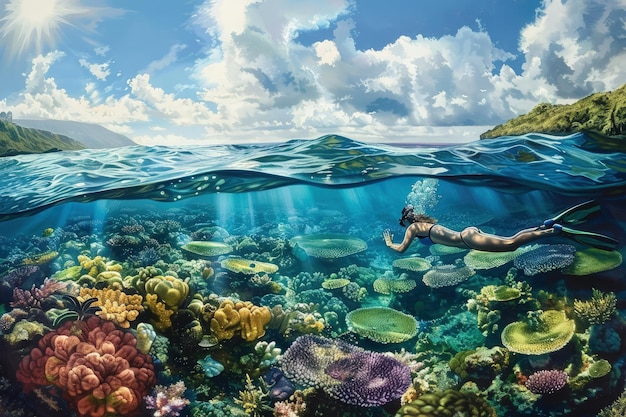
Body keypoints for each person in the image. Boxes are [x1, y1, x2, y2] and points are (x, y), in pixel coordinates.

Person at [383, 200, 619, 253]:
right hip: (470, 233)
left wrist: (389, 243)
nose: (405, 226)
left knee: (511, 245)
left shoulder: (414, 229)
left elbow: (402, 249)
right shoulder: (426, 223)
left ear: (407, 221)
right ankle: (545, 226)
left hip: (468, 240)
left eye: (404, 223)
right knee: (513, 238)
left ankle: (554, 231)